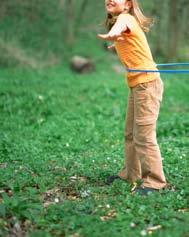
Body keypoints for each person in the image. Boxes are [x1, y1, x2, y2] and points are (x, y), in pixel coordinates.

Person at [98, 0, 167, 195]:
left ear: (127, 4)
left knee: (144, 135)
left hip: (147, 85)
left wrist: (112, 34)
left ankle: (155, 182)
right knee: (130, 133)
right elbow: (129, 38)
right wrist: (116, 43)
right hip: (137, 85)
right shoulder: (123, 23)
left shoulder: (125, 18)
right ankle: (130, 173)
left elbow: (121, 24)